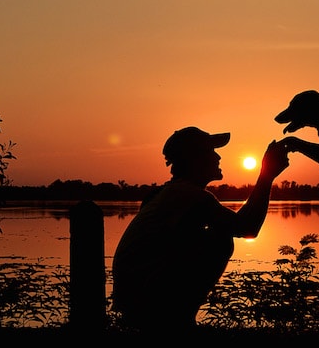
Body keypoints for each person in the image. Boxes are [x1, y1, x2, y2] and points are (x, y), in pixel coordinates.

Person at [111, 126, 290, 334]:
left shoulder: (164, 193)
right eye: (211, 151)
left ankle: (176, 320)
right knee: (220, 239)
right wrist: (267, 175)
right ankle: (177, 322)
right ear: (196, 159)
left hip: (134, 301)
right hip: (145, 301)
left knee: (212, 234)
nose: (218, 156)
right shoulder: (190, 195)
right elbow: (247, 227)